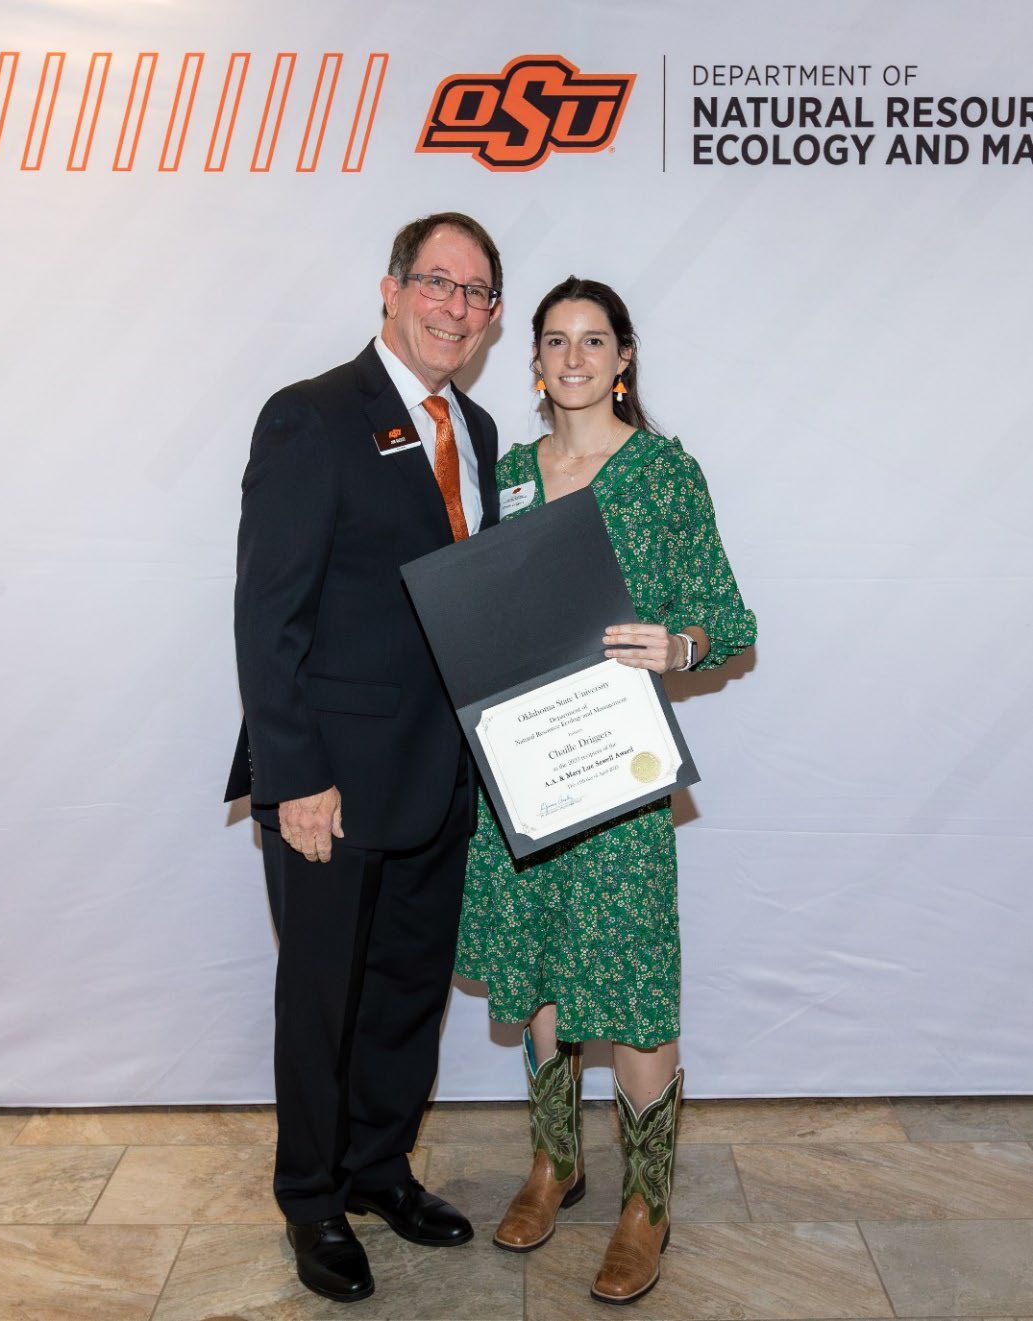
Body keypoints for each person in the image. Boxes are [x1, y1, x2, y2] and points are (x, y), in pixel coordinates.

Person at [456, 276, 756, 1306]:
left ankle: (646, 1203)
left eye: (593, 340)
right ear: (533, 363)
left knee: (631, 988)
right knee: (540, 973)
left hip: (618, 775)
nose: (573, 357)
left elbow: (731, 620)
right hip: (522, 772)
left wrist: (677, 642)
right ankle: (555, 1161)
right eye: (554, 341)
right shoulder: (502, 475)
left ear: (622, 357)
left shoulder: (667, 476)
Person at [226, 213, 503, 1304]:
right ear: (390, 290)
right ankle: (309, 1197)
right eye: (438, 281)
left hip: (442, 774)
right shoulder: (311, 416)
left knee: (403, 990)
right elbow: (268, 614)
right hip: (328, 785)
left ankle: (379, 1169)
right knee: (323, 998)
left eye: (478, 293)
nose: (455, 307)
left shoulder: (474, 430)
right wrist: (292, 775)